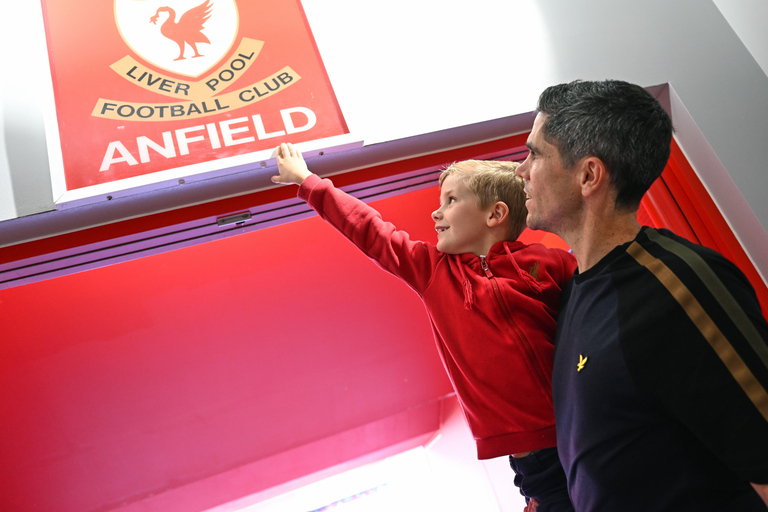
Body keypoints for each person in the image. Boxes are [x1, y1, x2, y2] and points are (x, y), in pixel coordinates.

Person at [272, 142, 577, 511]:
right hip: (534, 455)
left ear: (495, 214)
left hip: (582, 423)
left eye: (451, 200)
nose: (436, 212)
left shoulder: (549, 263)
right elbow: (371, 231)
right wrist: (308, 181)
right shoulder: (433, 271)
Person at [515, 79, 768, 511]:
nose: (520, 170)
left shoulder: (680, 283)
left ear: (588, 175)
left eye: (535, 153)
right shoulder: (575, 293)